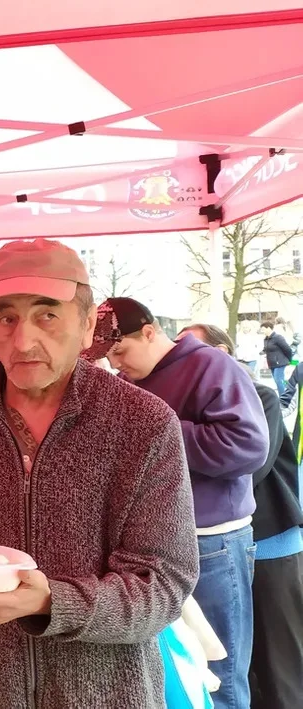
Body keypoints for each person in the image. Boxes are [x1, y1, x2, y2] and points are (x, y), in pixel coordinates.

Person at [0, 239, 199, 708]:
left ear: (87, 325)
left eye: (48, 314)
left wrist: (52, 603)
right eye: (6, 317)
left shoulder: (143, 424)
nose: (23, 340)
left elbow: (163, 584)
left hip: (105, 696)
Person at [98, 297, 267, 709]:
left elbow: (248, 445)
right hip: (155, 545)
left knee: (218, 671)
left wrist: (158, 432)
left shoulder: (212, 366)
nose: (116, 362)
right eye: (108, 355)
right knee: (181, 670)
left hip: (211, 542)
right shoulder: (131, 384)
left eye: (120, 350)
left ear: (151, 332)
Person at [180, 324, 303, 709]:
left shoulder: (260, 396)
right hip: (224, 546)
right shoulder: (191, 406)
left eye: (193, 349)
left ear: (221, 352)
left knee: (277, 663)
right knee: (234, 661)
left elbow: (251, 467)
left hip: (269, 545)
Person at [262, 321, 294, 395]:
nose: (262, 331)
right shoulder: (266, 339)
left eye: (263, 329)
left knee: (278, 380)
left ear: (269, 328)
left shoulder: (277, 337)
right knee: (278, 381)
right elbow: (266, 349)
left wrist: (289, 359)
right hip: (272, 363)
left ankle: (283, 398)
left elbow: (287, 349)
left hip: (280, 362)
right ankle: (288, 392)